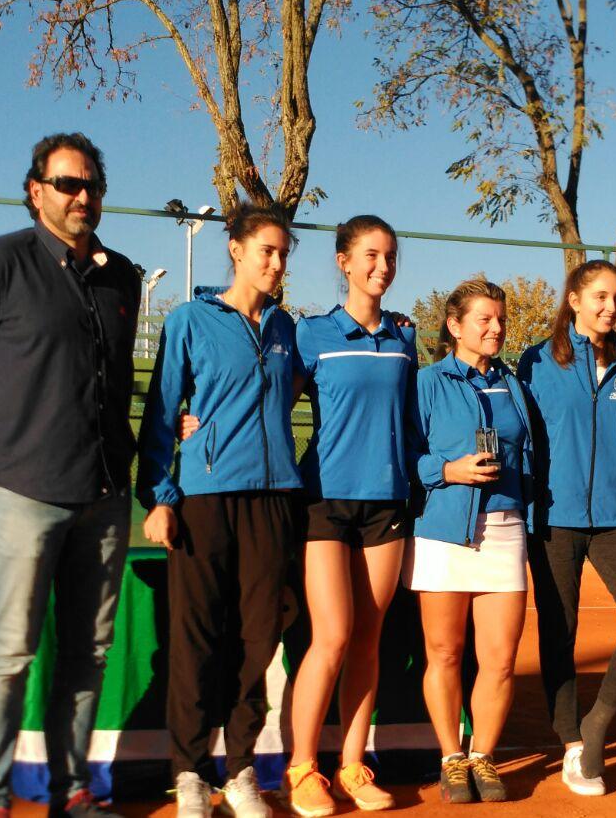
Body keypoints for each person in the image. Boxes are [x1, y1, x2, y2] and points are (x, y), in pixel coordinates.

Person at [0, 132, 137, 818]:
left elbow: (114, 383)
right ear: (36, 191)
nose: (82, 197)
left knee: (89, 654)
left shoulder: (122, 277)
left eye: (91, 186)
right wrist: (1, 454)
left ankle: (71, 791)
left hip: (103, 494)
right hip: (19, 493)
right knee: (11, 652)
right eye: (67, 185)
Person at [136, 202, 304, 818]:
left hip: (274, 500)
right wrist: (158, 494)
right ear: (235, 249)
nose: (277, 262)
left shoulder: (287, 329)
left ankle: (238, 773)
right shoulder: (190, 319)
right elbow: (161, 411)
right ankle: (187, 772)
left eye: (284, 252)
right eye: (267, 250)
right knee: (197, 638)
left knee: (257, 642)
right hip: (205, 499)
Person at [282, 216, 417, 817]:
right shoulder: (312, 334)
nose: (381, 266)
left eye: (389, 256)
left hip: (387, 504)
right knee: (331, 636)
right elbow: (266, 400)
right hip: (325, 502)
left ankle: (353, 764)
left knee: (367, 639)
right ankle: (302, 768)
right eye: (370, 255)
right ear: (343, 261)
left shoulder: (405, 337)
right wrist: (199, 423)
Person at [516, 260, 616, 796]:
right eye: (600, 296)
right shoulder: (535, 362)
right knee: (561, 631)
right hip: (553, 518)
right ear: (574, 300)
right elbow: (522, 436)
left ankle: (596, 723)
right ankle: (571, 744)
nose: (611, 306)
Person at [403, 277, 536, 806]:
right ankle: (451, 759)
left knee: (500, 660)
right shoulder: (426, 382)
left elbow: (528, 454)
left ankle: (482, 754)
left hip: (505, 531)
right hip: (444, 532)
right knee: (444, 652)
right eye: (483, 319)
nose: (496, 328)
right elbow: (407, 456)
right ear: (455, 326)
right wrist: (448, 470)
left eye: (499, 318)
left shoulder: (512, 384)